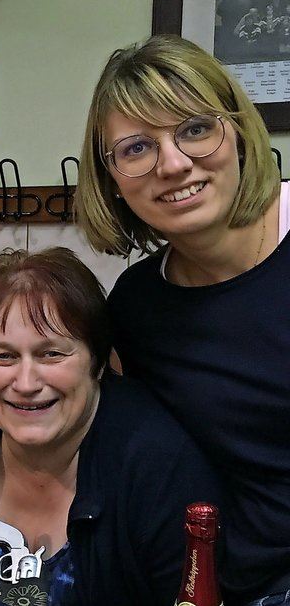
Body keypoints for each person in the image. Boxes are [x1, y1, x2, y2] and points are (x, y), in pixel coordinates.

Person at [75, 33, 290, 604]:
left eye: (195, 129)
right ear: (113, 179)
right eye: (137, 147)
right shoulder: (137, 306)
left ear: (239, 131)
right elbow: (71, 377)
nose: (172, 164)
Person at [0, 247, 223, 605]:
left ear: (98, 363)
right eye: (3, 356)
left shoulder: (161, 468)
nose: (25, 383)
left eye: (51, 353)